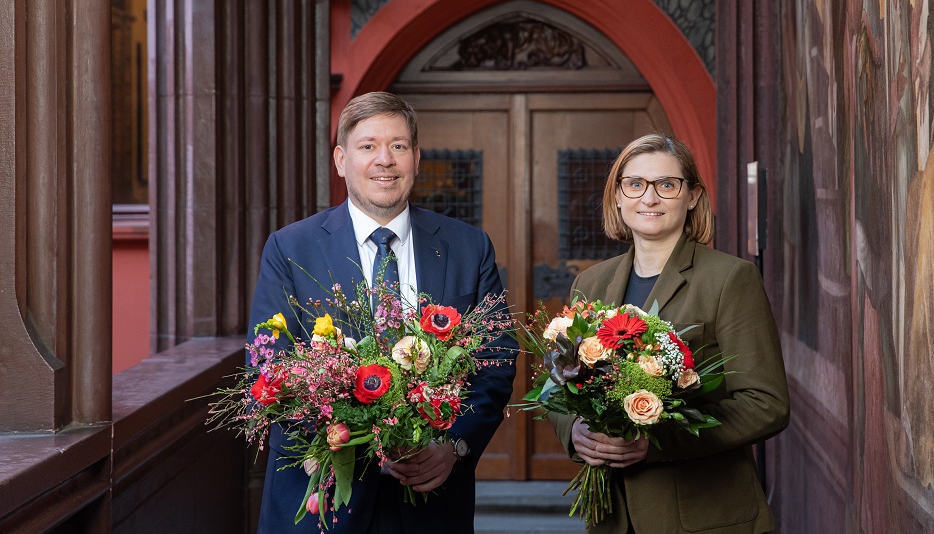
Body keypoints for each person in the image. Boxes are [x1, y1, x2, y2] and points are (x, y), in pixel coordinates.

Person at [247, 92, 517, 533]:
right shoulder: (290, 248)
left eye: (398, 146)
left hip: (430, 497)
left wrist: (454, 445)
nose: (384, 160)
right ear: (340, 159)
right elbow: (268, 365)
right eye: (368, 146)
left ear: (415, 158)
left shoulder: (469, 247)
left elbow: (497, 361)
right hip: (321, 501)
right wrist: (352, 435)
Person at [550, 134, 790, 534]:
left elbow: (767, 404)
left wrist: (656, 440)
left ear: (692, 196)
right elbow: (556, 388)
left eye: (667, 184)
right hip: (612, 518)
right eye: (635, 184)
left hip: (703, 517)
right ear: (618, 197)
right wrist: (575, 434)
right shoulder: (590, 284)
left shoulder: (729, 279)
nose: (649, 198)